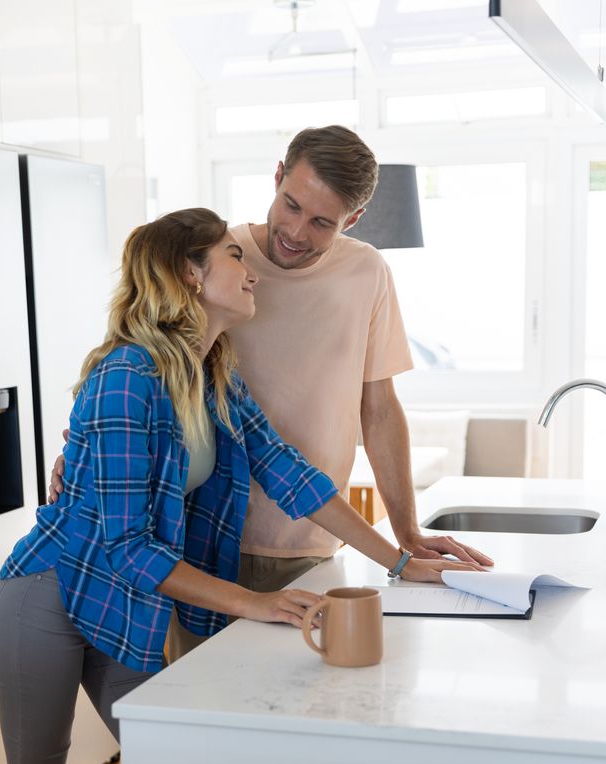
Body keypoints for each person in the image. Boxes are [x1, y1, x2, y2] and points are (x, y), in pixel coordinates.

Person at [0, 208, 481, 764]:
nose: (249, 268)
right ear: (188, 274)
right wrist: (254, 601)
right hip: (49, 591)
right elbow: (119, 540)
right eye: (231, 256)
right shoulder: (127, 377)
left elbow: (294, 475)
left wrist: (399, 558)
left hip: (125, 598)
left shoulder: (211, 370)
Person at [50, 126, 492, 662]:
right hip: (199, 539)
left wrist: (404, 541)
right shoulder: (216, 260)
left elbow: (370, 414)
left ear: (351, 221)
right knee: (208, 704)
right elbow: (133, 365)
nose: (297, 231)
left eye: (322, 222)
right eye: (291, 205)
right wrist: (89, 461)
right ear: (277, 177)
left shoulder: (364, 274)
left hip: (314, 537)